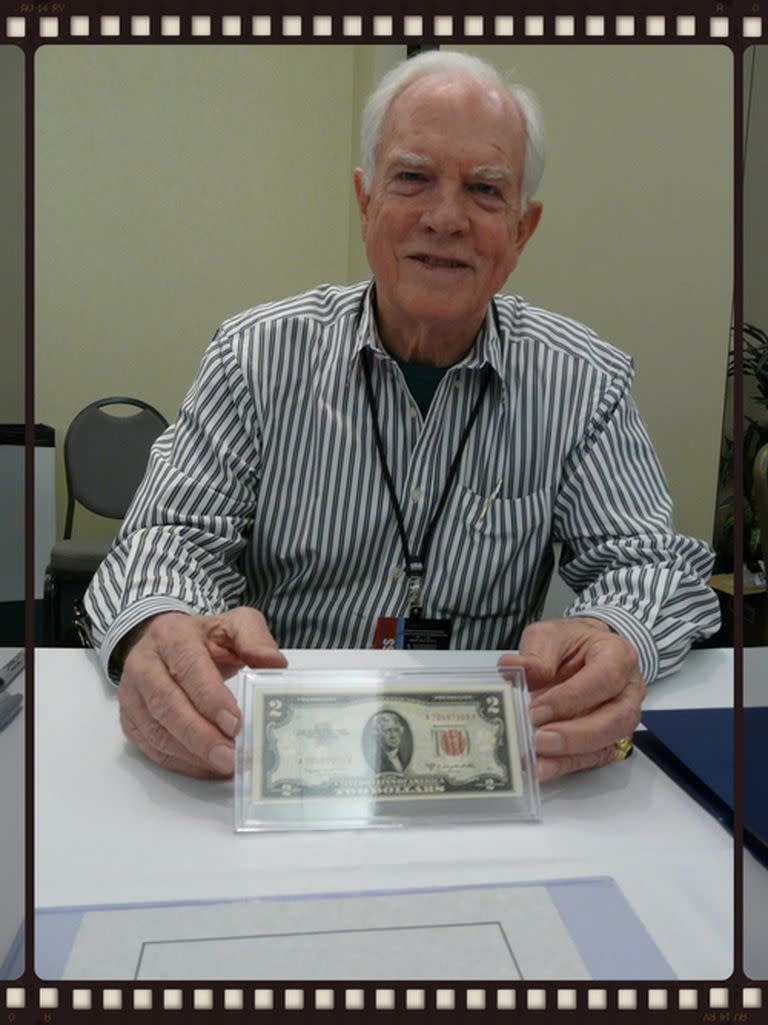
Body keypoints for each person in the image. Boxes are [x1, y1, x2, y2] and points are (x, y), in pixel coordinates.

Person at [84, 50, 720, 785]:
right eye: (412, 178)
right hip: (274, 755)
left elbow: (650, 563)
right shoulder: (255, 354)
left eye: (485, 190)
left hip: (481, 765)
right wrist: (161, 628)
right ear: (365, 203)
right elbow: (165, 539)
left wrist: (616, 633)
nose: (445, 218)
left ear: (521, 230)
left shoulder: (584, 379)